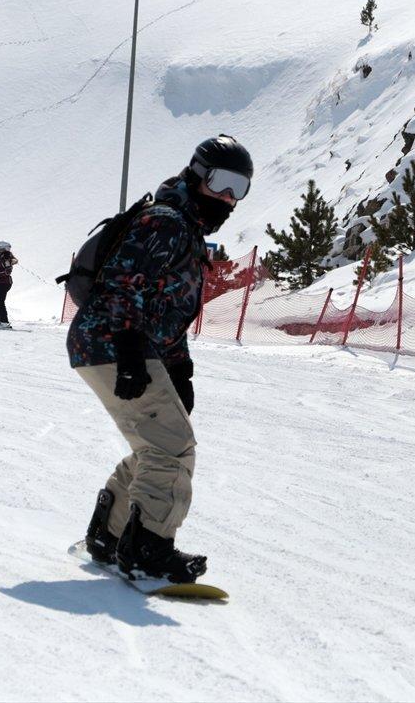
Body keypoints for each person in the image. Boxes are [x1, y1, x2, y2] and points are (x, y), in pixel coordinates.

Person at [68, 135, 253, 583]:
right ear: (196, 174)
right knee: (172, 448)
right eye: (221, 182)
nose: (228, 197)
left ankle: (109, 534)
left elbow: (164, 308)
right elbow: (121, 284)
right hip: (114, 343)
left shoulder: (183, 229)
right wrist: (130, 351)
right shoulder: (167, 222)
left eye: (239, 188)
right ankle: (149, 547)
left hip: (109, 344)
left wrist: (179, 369)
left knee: (159, 443)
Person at [0, 241, 18, 330]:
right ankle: (2, 321)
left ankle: (4, 322)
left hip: (4, 283)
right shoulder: (2, 257)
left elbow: (8, 270)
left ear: (3, 249)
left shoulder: (5, 257)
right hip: (1, 282)